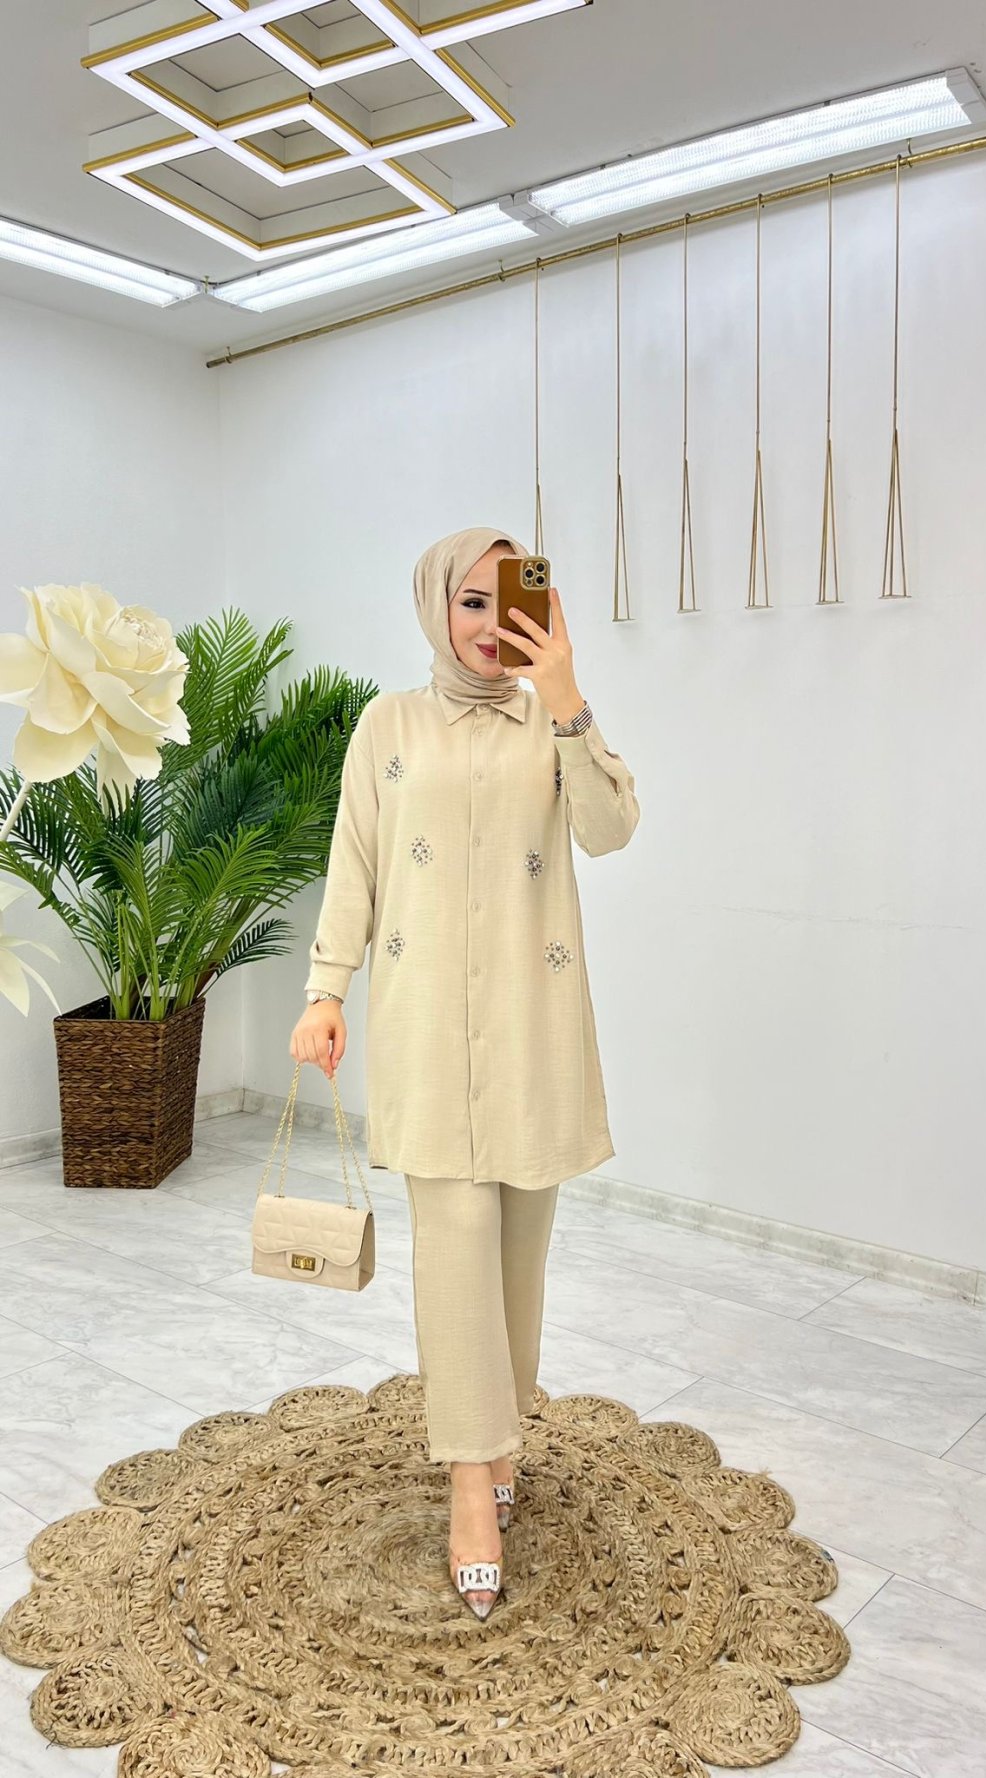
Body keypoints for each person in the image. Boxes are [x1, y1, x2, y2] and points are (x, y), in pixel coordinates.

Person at [290, 526, 640, 1619]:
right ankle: (470, 1486)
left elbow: (611, 829)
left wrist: (567, 695)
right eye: (471, 602)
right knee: (452, 1247)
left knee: (518, 1255)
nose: (491, 625)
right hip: (426, 1023)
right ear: (436, 607)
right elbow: (354, 859)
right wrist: (325, 987)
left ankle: (502, 1431)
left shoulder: (551, 722)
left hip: (532, 1027)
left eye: (510, 601)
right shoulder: (387, 725)